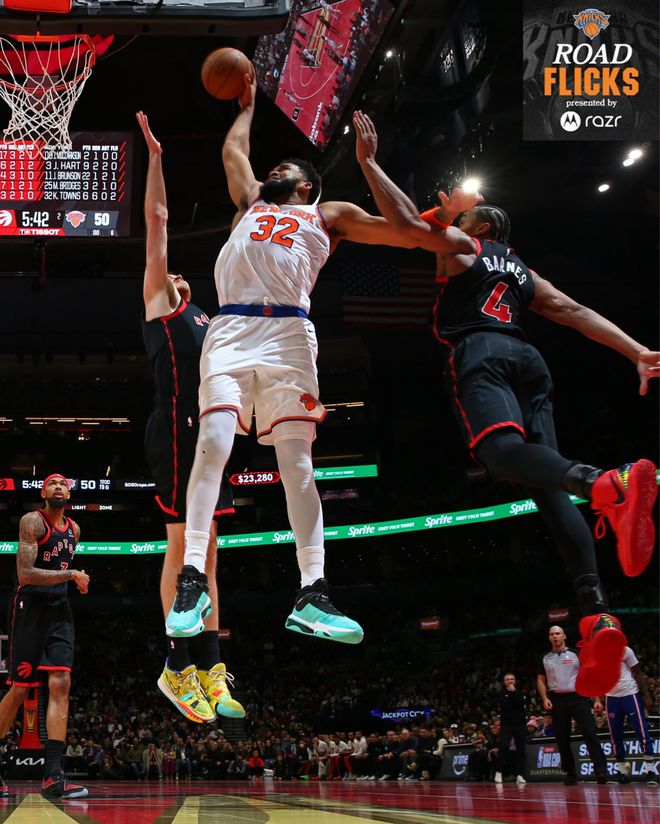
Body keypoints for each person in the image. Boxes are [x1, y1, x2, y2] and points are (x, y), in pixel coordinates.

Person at [352, 109, 659, 696]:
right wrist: (636, 350)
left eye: (466, 216)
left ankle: (607, 482)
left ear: (480, 226)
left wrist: (369, 163)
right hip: (530, 360)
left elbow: (404, 223)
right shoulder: (522, 271)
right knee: (547, 484)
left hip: (482, 351)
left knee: (499, 454)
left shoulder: (464, 246)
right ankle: (597, 615)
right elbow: (574, 311)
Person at [167, 73, 415, 645]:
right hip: (231, 326)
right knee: (213, 445)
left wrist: (369, 164)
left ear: (308, 186)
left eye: (285, 169)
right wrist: (247, 106)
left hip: (289, 335)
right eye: (272, 168)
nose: (273, 171)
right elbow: (233, 152)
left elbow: (406, 233)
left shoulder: (329, 215)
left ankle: (313, 592)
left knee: (296, 464)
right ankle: (191, 580)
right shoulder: (251, 202)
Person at [136, 111, 245, 724]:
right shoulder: (162, 306)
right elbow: (157, 221)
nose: (175, 272)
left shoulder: (210, 319)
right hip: (176, 434)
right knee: (182, 547)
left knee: (212, 555)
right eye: (168, 271)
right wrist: (155, 159)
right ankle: (176, 667)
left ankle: (211, 667)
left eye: (180, 273)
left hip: (212, 436)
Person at [0, 473, 89, 798]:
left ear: (69, 494)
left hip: (59, 609)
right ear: (43, 492)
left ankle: (53, 776)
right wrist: (72, 574)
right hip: (30, 607)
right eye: (52, 483)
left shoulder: (74, 529)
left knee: (61, 683)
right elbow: (25, 574)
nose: (58, 487)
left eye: (63, 484)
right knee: (19, 689)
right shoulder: (32, 522)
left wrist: (69, 578)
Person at [537, 625, 608, 785]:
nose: (555, 636)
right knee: (562, 738)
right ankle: (570, 774)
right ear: (549, 638)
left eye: (558, 633)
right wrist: (544, 698)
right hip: (557, 699)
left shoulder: (576, 654)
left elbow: (588, 676)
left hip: (578, 697)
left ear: (564, 636)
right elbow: (540, 679)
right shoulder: (545, 657)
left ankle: (601, 770)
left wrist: (596, 699)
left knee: (590, 733)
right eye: (552, 634)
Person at [601, 644, 657, 784]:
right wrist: (597, 697)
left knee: (642, 731)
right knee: (615, 735)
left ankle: (650, 770)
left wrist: (646, 695)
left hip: (629, 694)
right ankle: (622, 772)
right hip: (611, 697)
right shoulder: (598, 652)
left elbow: (637, 672)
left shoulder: (625, 650)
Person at [493, 673, 527, 784]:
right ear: (504, 682)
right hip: (506, 725)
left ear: (515, 681)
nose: (510, 681)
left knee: (521, 749)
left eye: (512, 679)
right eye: (507, 679)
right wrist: (512, 696)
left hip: (520, 724)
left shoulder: (520, 693)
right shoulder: (501, 694)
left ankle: (519, 775)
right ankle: (498, 772)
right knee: (503, 747)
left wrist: (514, 693)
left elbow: (521, 703)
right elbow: (506, 705)